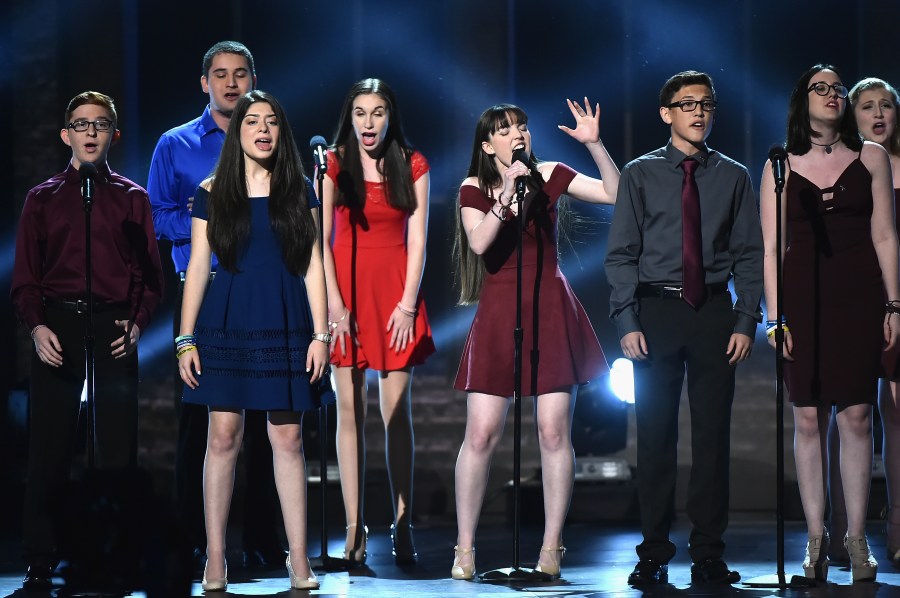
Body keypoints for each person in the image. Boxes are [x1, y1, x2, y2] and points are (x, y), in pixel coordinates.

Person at [605, 71, 762, 587]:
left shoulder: (733, 175)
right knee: (654, 438)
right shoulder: (639, 173)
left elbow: (748, 255)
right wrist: (626, 319)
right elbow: (622, 254)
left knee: (712, 437)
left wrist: (745, 318)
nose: (699, 112)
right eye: (687, 104)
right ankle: (652, 553)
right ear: (665, 113)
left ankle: (709, 553)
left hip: (715, 312)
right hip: (657, 313)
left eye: (707, 104)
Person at [452, 97, 618, 580]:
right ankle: (465, 549)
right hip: (501, 308)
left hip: (549, 304)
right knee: (481, 433)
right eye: (504, 130)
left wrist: (595, 145)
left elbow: (617, 193)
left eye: (521, 125)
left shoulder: (549, 172)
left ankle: (550, 547)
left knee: (552, 431)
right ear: (487, 144)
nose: (517, 133)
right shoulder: (473, 186)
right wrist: (506, 192)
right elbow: (481, 243)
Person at [177, 90, 333, 592]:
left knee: (287, 438)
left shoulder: (299, 190)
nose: (262, 130)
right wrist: (185, 338)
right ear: (238, 131)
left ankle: (299, 560)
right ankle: (217, 558)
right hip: (227, 320)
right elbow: (199, 267)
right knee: (223, 438)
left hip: (285, 317)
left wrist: (320, 333)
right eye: (252, 122)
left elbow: (313, 264)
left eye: (270, 123)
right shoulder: (212, 189)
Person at [11, 91, 164, 589]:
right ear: (66, 134)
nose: (91, 132)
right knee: (49, 449)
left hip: (114, 327)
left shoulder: (132, 197)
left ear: (113, 134)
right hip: (60, 325)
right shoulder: (43, 198)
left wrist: (138, 322)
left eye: (100, 124)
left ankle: (115, 558)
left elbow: (149, 275)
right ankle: (41, 559)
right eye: (81, 124)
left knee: (116, 452)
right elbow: (26, 279)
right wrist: (37, 327)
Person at [148, 41, 286, 569]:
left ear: (254, 79)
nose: (231, 83)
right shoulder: (175, 144)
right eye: (220, 75)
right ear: (204, 82)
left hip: (260, 291)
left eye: (241, 73)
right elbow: (158, 216)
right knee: (203, 424)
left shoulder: (269, 139)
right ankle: (197, 542)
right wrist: (208, 220)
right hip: (202, 289)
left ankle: (263, 541)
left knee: (266, 422)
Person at [761, 64, 900, 584]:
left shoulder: (871, 157)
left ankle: (857, 537)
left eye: (839, 89)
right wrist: (776, 320)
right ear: (803, 101)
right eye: (821, 88)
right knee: (807, 418)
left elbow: (886, 234)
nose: (833, 95)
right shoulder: (780, 164)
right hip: (802, 298)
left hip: (860, 295)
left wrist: (894, 305)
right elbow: (772, 248)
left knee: (858, 417)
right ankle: (816, 537)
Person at [320, 78, 435, 566]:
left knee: (395, 414)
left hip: (394, 298)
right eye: (361, 113)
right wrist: (334, 307)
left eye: (378, 112)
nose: (369, 122)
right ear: (350, 117)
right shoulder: (332, 164)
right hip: (344, 296)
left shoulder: (413, 164)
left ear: (390, 116)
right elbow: (319, 240)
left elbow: (419, 239)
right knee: (350, 413)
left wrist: (408, 304)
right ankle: (353, 527)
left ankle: (402, 522)